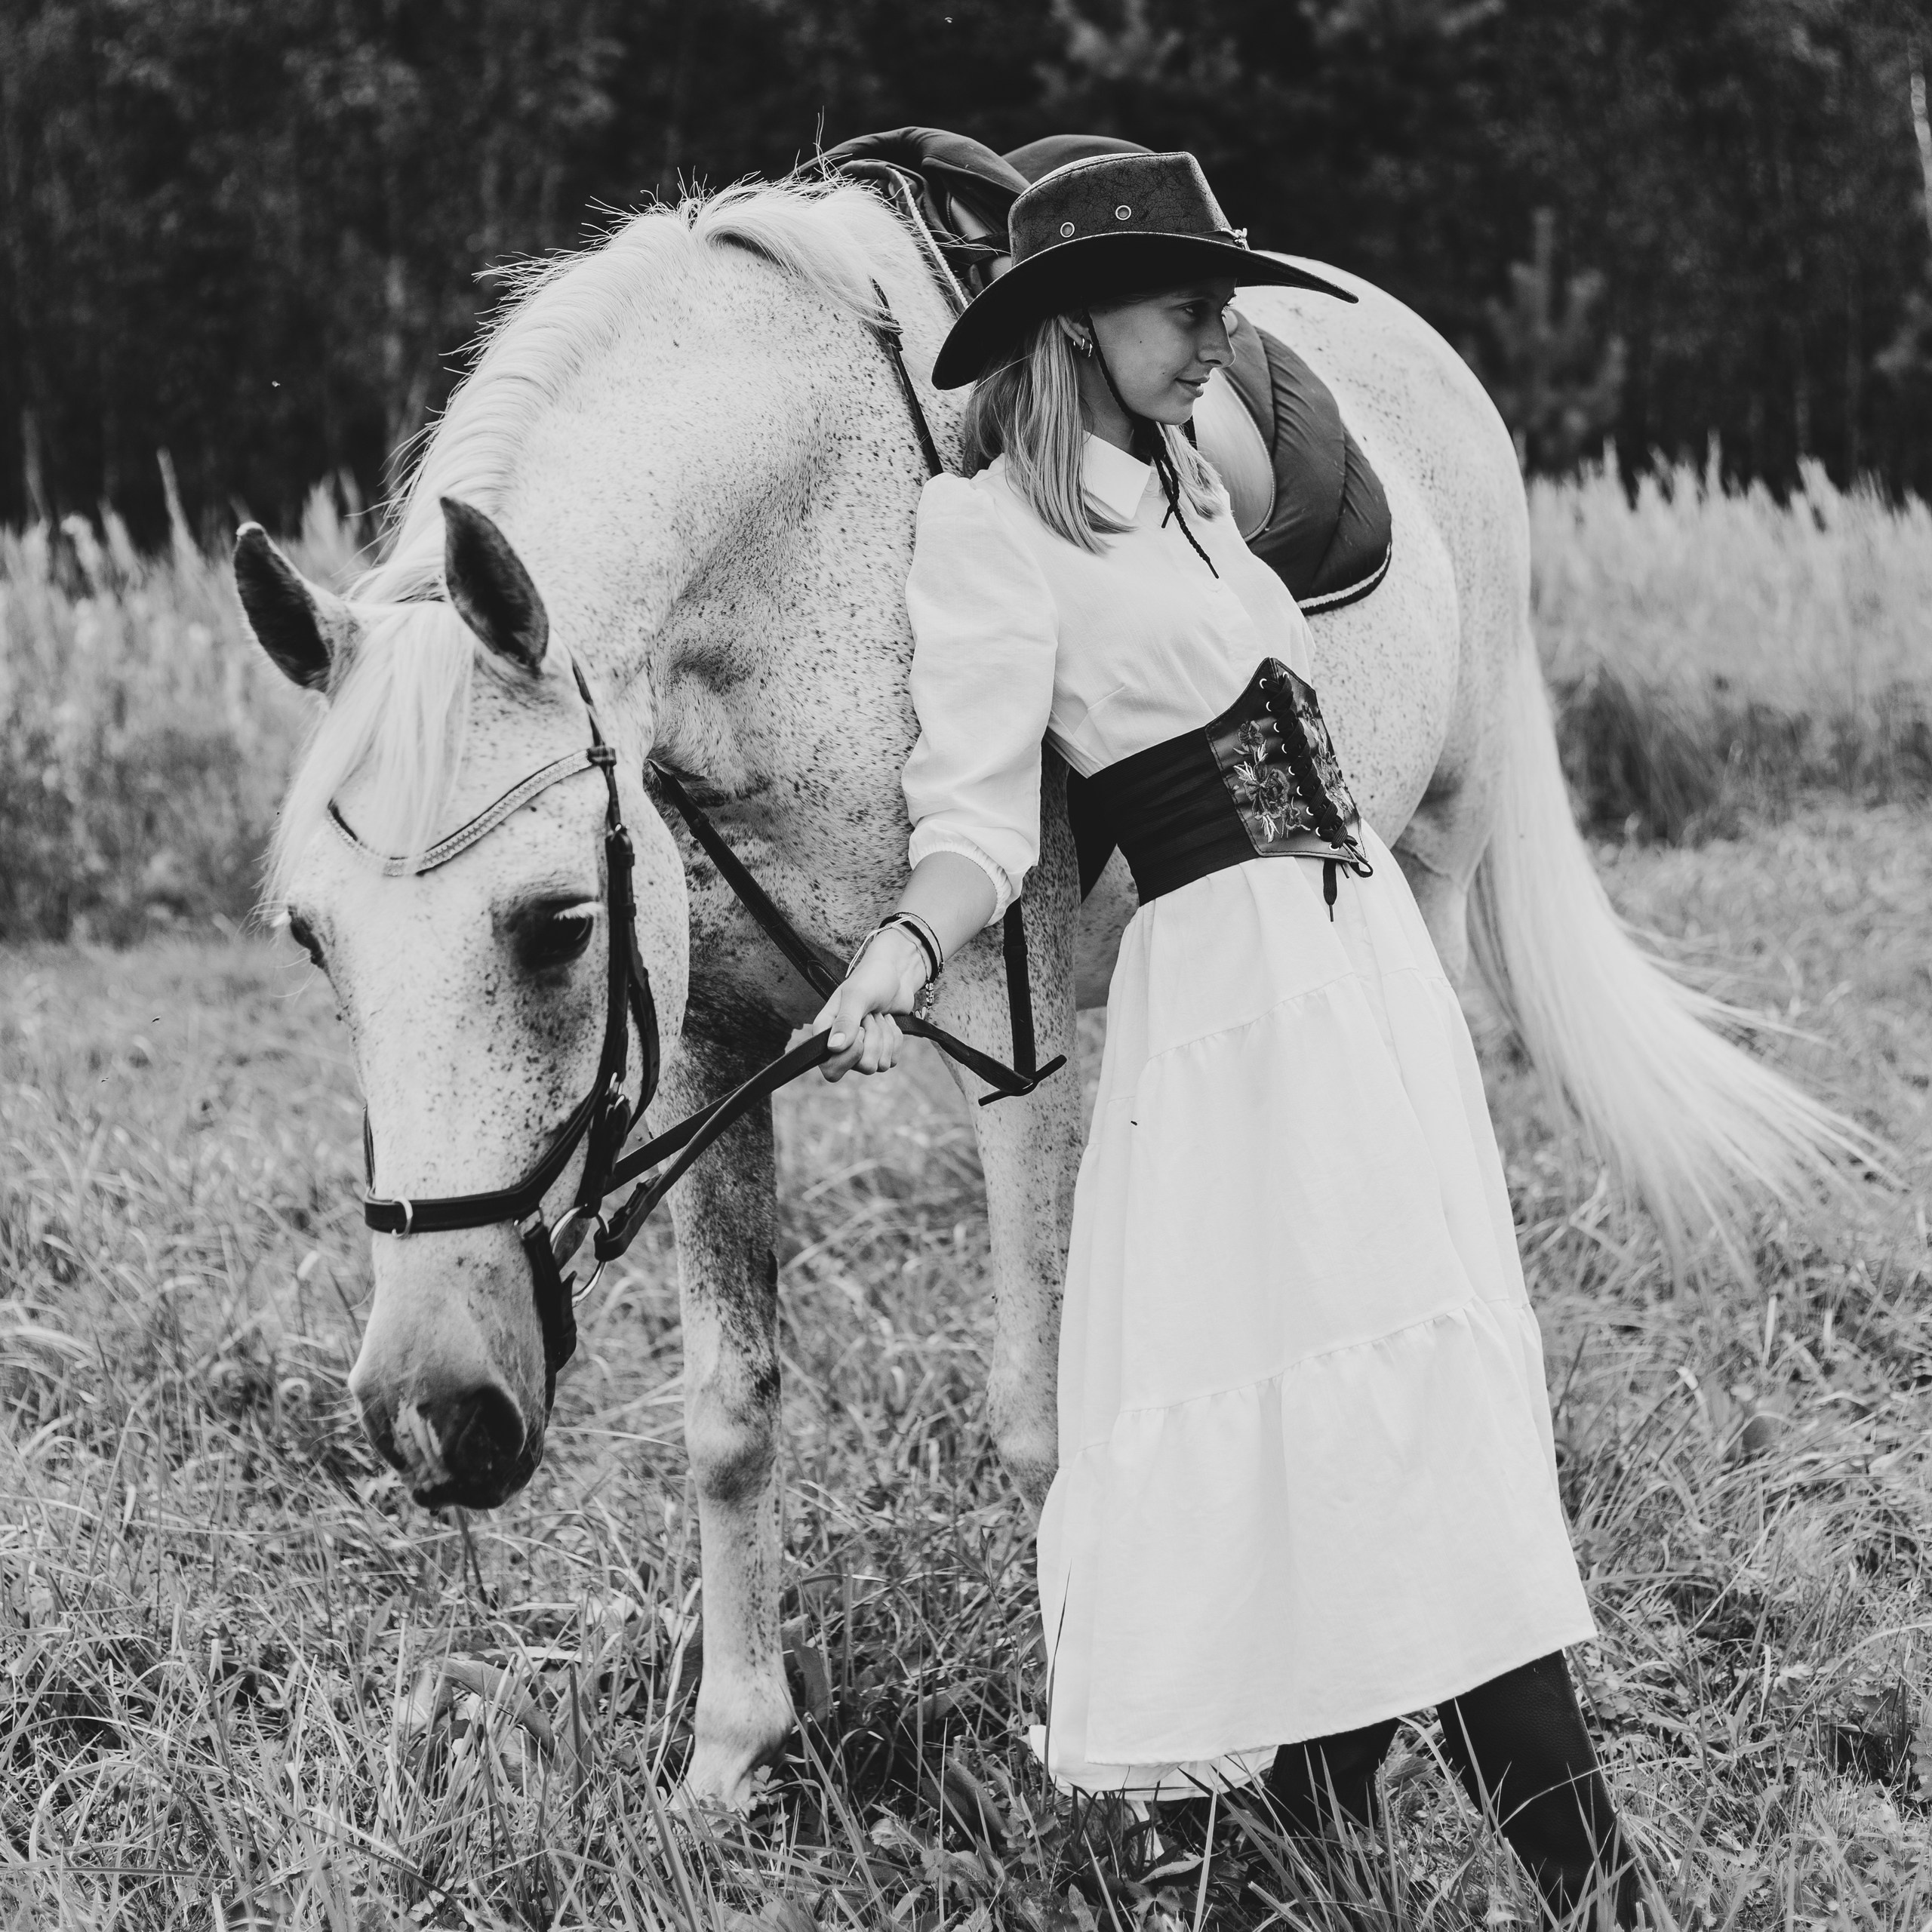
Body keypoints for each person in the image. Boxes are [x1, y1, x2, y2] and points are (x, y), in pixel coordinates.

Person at [815, 150, 1641, 1927]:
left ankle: (1302, 1850)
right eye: (1187, 305)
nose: (1220, 335)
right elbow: (975, 819)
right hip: (1232, 1010)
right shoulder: (990, 540)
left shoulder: (1193, 484)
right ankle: (1591, 1881)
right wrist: (897, 948)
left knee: (1399, 1395)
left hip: (1359, 991)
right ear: (1072, 322)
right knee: (1359, 1406)